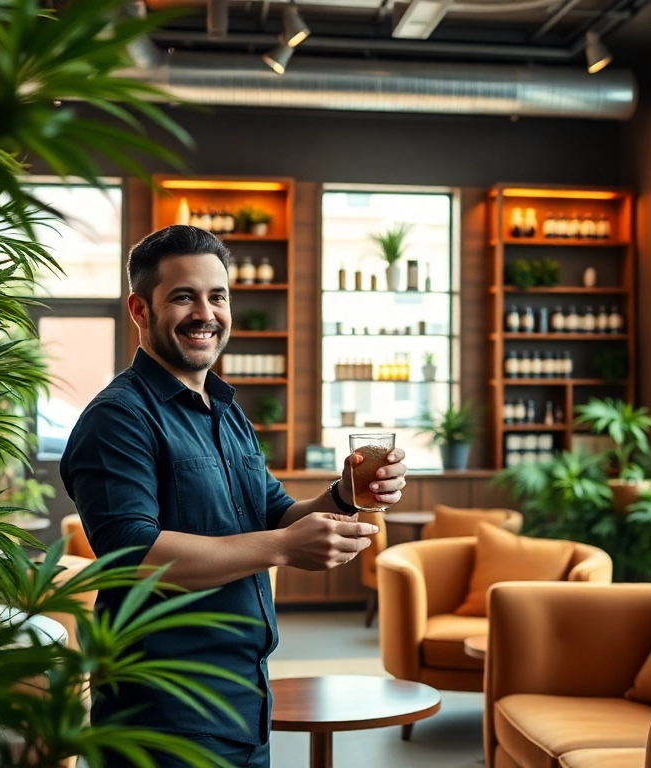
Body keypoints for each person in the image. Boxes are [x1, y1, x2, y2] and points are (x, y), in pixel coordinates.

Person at [60, 225, 407, 768]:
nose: (206, 313)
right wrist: (284, 548)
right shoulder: (118, 417)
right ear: (139, 310)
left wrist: (341, 495)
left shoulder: (226, 411)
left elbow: (276, 515)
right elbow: (132, 557)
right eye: (183, 296)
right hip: (162, 721)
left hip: (244, 706)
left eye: (217, 295)